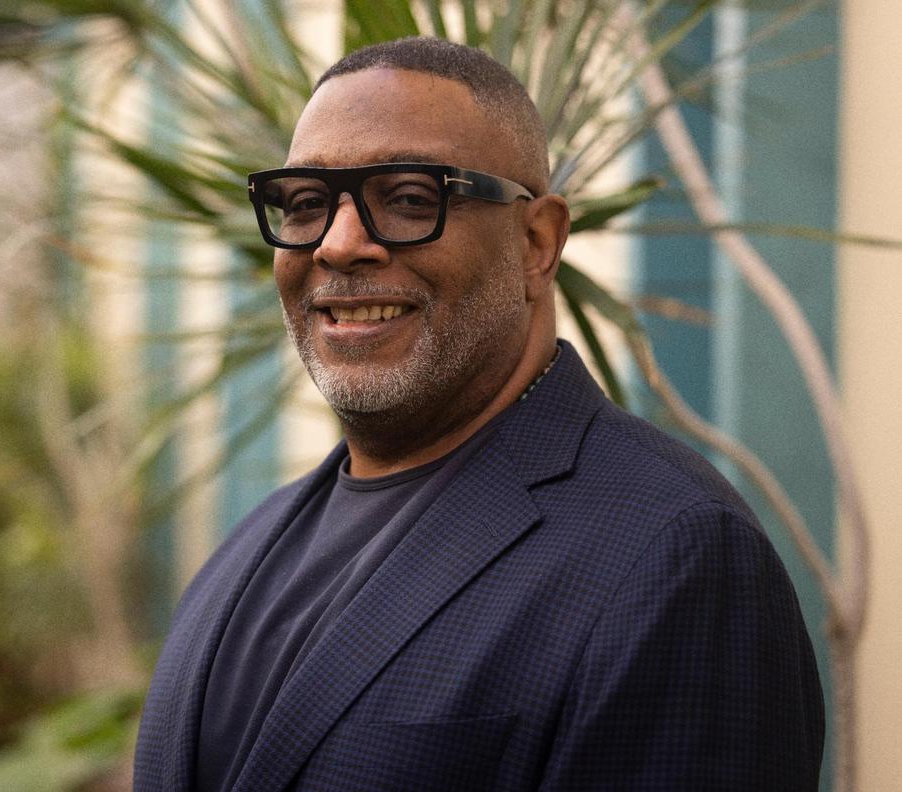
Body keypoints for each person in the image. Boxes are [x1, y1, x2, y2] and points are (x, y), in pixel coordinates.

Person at [133, 37, 824, 791]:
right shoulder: (247, 547)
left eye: (408, 198)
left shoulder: (672, 556)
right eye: (305, 204)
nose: (338, 244)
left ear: (536, 243)